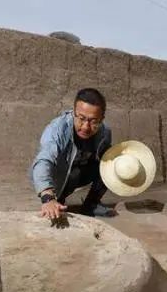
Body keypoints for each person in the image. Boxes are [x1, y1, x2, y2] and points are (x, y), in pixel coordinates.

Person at [30, 88, 116, 221]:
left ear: (101, 119)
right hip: (58, 173)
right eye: (81, 119)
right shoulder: (58, 129)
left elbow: (106, 155)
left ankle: (91, 204)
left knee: (111, 164)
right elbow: (43, 161)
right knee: (72, 174)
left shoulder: (104, 132)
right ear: (73, 112)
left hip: (81, 169)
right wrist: (48, 197)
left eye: (93, 121)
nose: (85, 127)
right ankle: (58, 199)